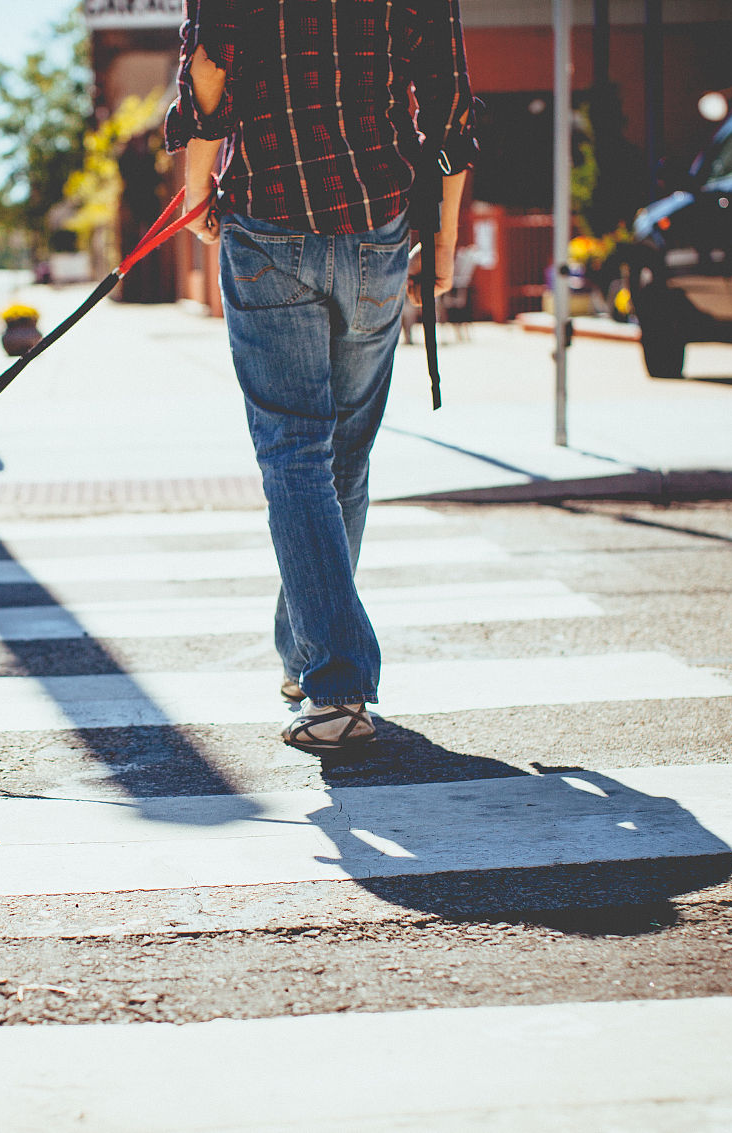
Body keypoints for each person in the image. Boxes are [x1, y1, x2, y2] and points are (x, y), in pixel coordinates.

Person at [163, 0, 476, 750]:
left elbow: (209, 67)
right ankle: (307, 656)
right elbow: (449, 100)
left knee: (295, 453)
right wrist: (446, 232)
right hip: (376, 222)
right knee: (343, 456)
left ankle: (335, 681)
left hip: (269, 218)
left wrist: (198, 188)